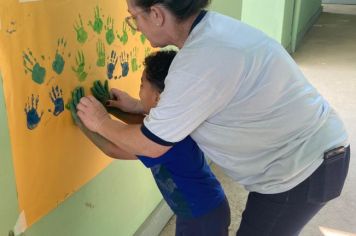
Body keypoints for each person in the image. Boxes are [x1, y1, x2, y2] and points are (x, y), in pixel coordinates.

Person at [76, 0, 351, 235]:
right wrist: (138, 106)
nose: (135, 26)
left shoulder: (198, 62)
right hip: (311, 154)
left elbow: (150, 143)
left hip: (302, 170)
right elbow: (196, 100)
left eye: (133, 17)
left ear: (157, 14)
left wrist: (100, 121)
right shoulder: (213, 31)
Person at [71, 50, 231, 236]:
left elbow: (114, 148)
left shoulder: (169, 142)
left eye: (141, 85)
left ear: (158, 98)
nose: (139, 92)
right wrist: (109, 106)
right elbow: (142, 128)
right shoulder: (175, 123)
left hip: (202, 217)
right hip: (203, 209)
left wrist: (86, 124)